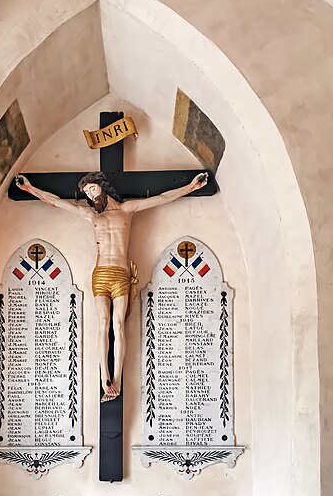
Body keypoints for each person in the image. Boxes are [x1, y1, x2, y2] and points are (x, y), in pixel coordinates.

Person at [16, 170, 208, 402]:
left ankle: (116, 378)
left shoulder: (127, 210)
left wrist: (190, 187)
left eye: (92, 189)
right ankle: (104, 379)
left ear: (102, 186)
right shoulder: (90, 215)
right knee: (103, 324)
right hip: (100, 275)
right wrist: (30, 189)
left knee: (118, 325)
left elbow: (161, 198)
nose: (89, 196)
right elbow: (57, 203)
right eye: (86, 193)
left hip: (121, 274)